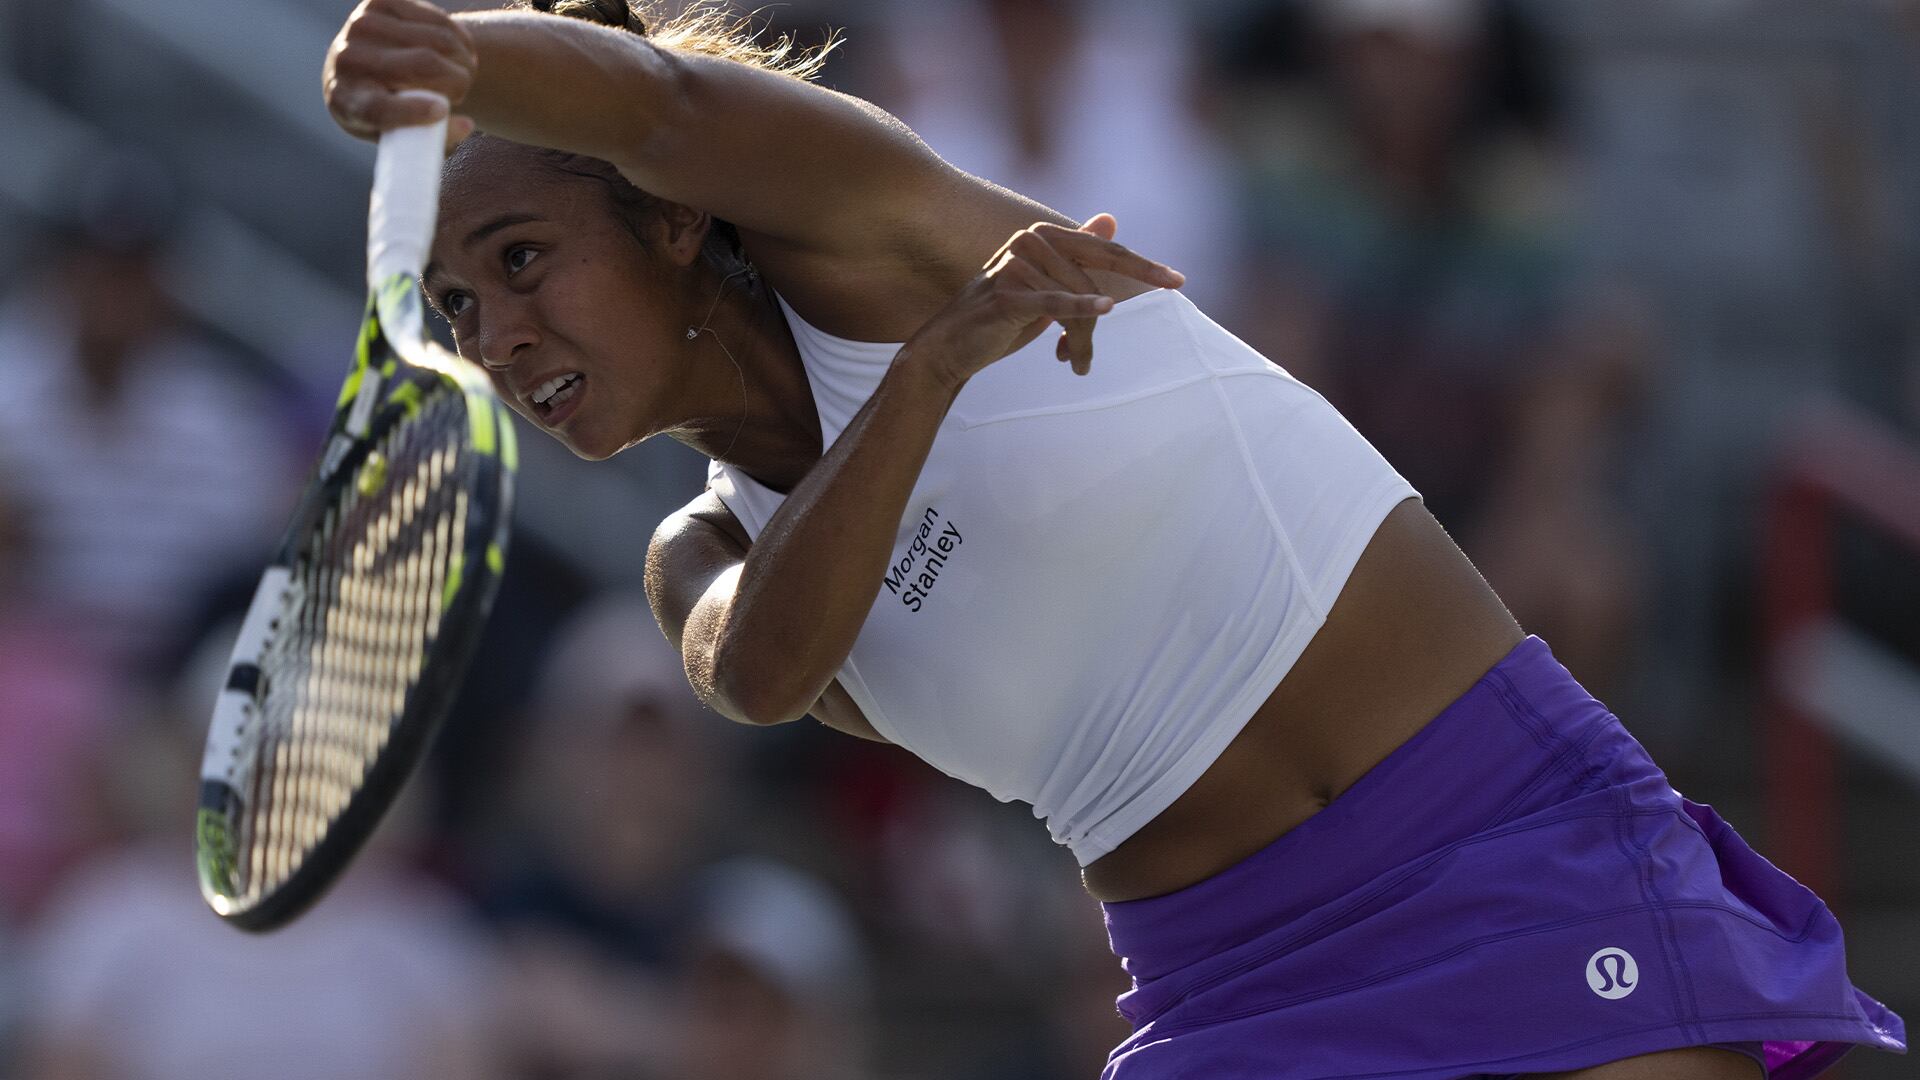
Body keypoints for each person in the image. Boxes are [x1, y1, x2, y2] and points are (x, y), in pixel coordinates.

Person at [321, 1, 1906, 1076]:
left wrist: (454, 53)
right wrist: (934, 378)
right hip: (1233, 994)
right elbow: (763, 672)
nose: (499, 335)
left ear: (671, 220)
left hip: (1505, 835)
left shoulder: (862, 225)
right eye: (456, 306)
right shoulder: (699, 558)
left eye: (522, 259)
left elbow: (664, 102)